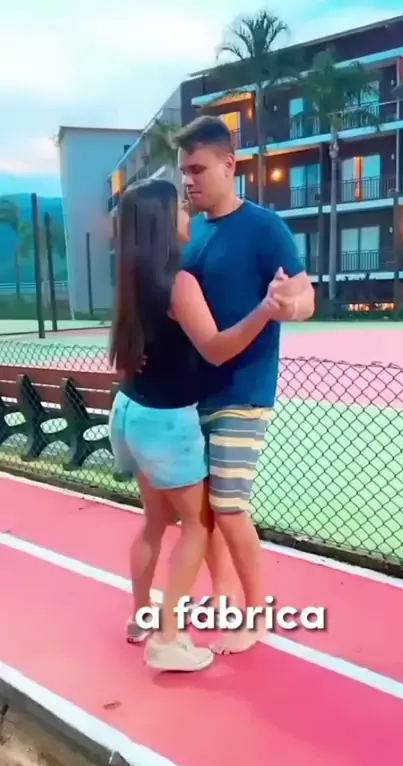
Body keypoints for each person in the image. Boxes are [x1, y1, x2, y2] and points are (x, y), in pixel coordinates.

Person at [108, 177, 295, 672]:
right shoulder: (178, 283)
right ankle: (168, 638)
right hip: (165, 423)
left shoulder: (134, 277)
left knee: (153, 523)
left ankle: (142, 618)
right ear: (162, 222)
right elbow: (215, 348)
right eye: (179, 207)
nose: (187, 212)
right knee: (197, 525)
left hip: (131, 411)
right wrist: (265, 310)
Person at [173, 114, 316, 655]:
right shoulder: (190, 233)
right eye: (183, 171)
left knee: (229, 507)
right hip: (191, 394)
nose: (188, 180)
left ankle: (256, 615)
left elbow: (304, 296)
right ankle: (224, 597)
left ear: (229, 164)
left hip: (244, 391)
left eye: (197, 169)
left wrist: (289, 307)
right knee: (204, 511)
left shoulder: (264, 227)